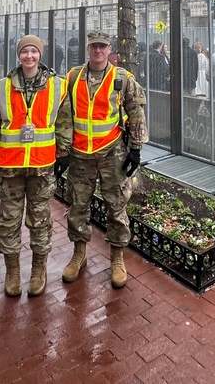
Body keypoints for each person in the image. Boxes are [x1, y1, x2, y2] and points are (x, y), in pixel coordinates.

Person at [0, 35, 72, 298]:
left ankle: (39, 269)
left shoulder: (57, 86)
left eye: (34, 51)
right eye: (24, 52)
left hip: (42, 166)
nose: (29, 56)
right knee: (8, 221)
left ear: (40, 55)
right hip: (10, 167)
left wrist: (63, 155)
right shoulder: (1, 87)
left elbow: (64, 122)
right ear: (18, 55)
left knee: (40, 220)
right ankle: (13, 270)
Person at [62, 29, 147, 290]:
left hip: (112, 153)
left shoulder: (121, 78)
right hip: (80, 155)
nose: (98, 51)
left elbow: (135, 110)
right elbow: (65, 114)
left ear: (110, 50)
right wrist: (63, 151)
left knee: (116, 205)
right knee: (78, 206)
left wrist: (136, 148)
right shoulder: (74, 77)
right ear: (88, 49)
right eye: (94, 46)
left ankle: (117, 257)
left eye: (103, 46)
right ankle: (79, 254)